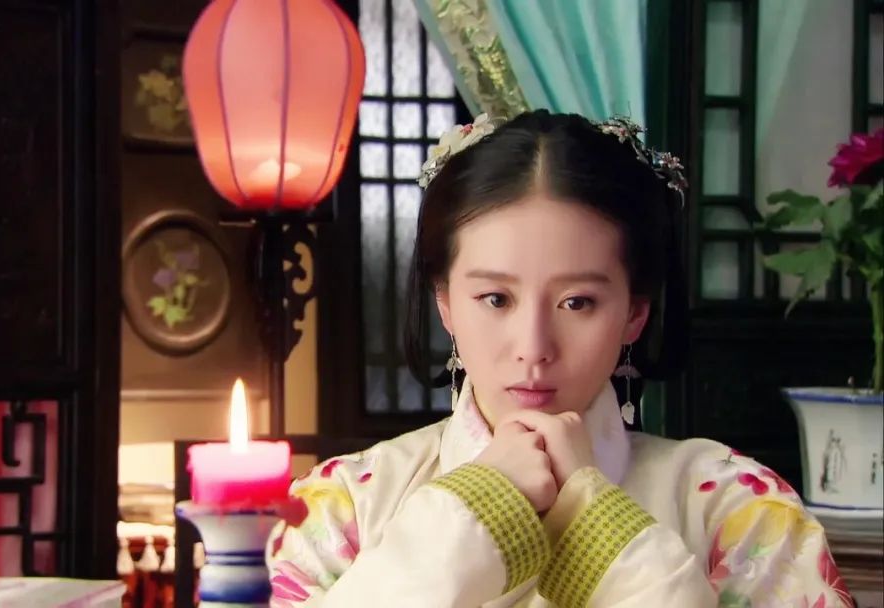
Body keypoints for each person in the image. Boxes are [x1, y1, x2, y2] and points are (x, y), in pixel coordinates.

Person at [267, 111, 851, 608]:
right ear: (445, 303)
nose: (534, 346)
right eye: (495, 299)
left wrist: (604, 537)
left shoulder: (735, 508)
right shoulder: (344, 505)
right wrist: (466, 519)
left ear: (635, 312)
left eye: (578, 302)